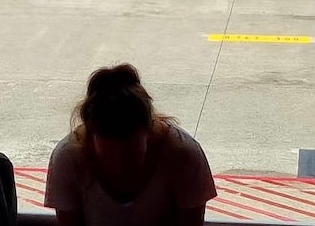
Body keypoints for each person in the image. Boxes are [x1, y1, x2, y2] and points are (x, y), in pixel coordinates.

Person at [45, 64, 216, 226]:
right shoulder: (68, 158)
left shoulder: (183, 154)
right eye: (108, 158)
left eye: (131, 156)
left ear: (149, 132)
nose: (120, 168)